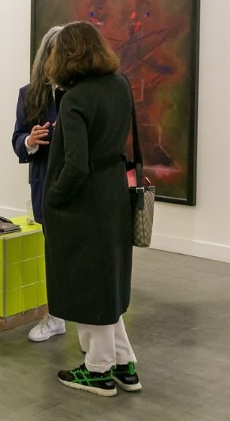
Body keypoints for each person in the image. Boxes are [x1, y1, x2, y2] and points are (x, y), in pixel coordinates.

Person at [43, 21, 140, 397]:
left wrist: (55, 197)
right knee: (108, 280)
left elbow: (76, 165)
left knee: (88, 285)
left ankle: (98, 369)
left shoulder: (75, 98)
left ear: (67, 54)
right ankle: (123, 362)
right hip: (114, 195)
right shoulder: (120, 84)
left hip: (84, 204)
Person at [11, 25, 66, 342]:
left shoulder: (82, 93)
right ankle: (56, 315)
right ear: (47, 55)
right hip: (46, 185)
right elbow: (17, 139)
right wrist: (30, 141)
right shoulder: (30, 94)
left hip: (79, 188)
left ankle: (89, 321)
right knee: (54, 254)